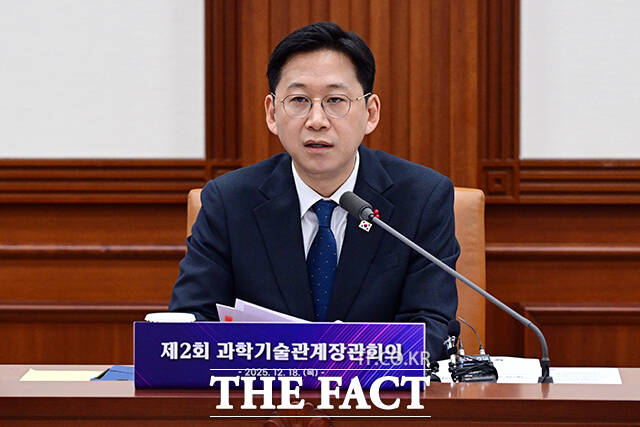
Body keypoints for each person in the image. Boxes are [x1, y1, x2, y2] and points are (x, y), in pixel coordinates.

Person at [169, 22, 459, 361]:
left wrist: (337, 363)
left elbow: (430, 326)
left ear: (371, 113)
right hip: (263, 389)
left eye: (336, 100)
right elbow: (191, 321)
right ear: (272, 113)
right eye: (299, 100)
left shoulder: (422, 198)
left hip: (377, 391)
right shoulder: (229, 201)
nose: (317, 120)